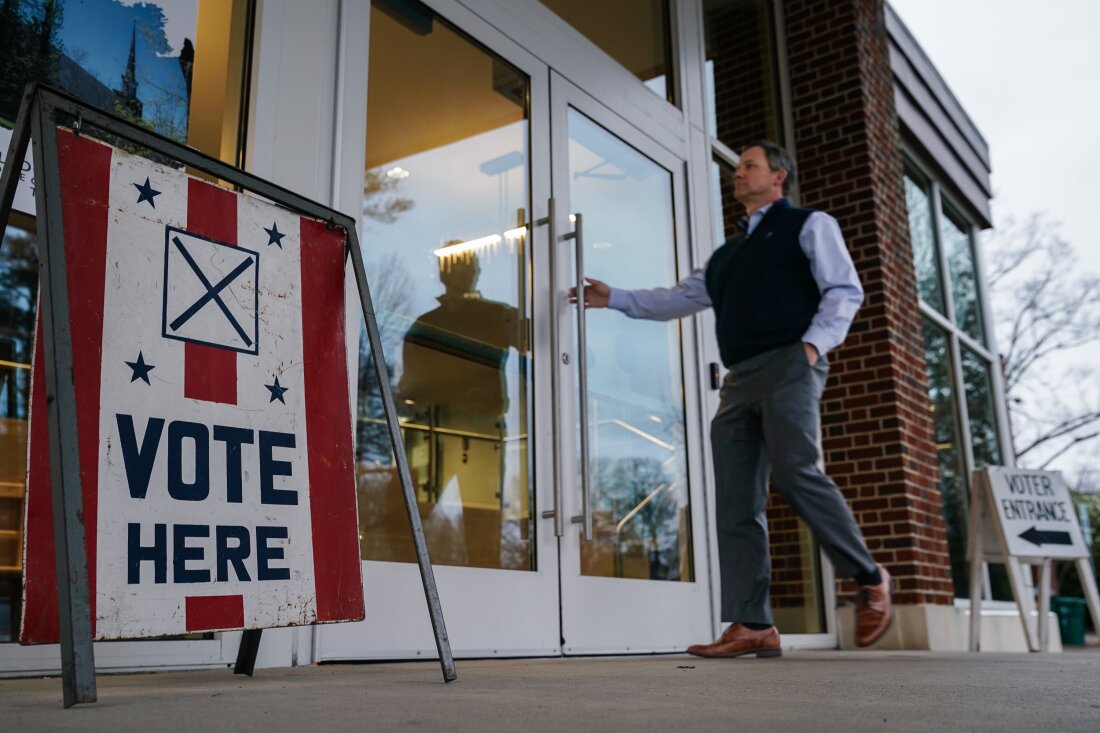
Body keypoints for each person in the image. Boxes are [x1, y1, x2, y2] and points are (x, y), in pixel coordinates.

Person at [569, 141, 893, 657]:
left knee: (794, 471)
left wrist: (812, 346)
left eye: (750, 166)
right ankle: (752, 623)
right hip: (739, 379)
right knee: (736, 501)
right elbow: (678, 297)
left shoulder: (810, 226)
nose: (738, 174)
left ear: (779, 176)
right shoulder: (726, 257)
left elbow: (844, 291)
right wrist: (616, 299)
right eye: (737, 167)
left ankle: (870, 578)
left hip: (791, 362)